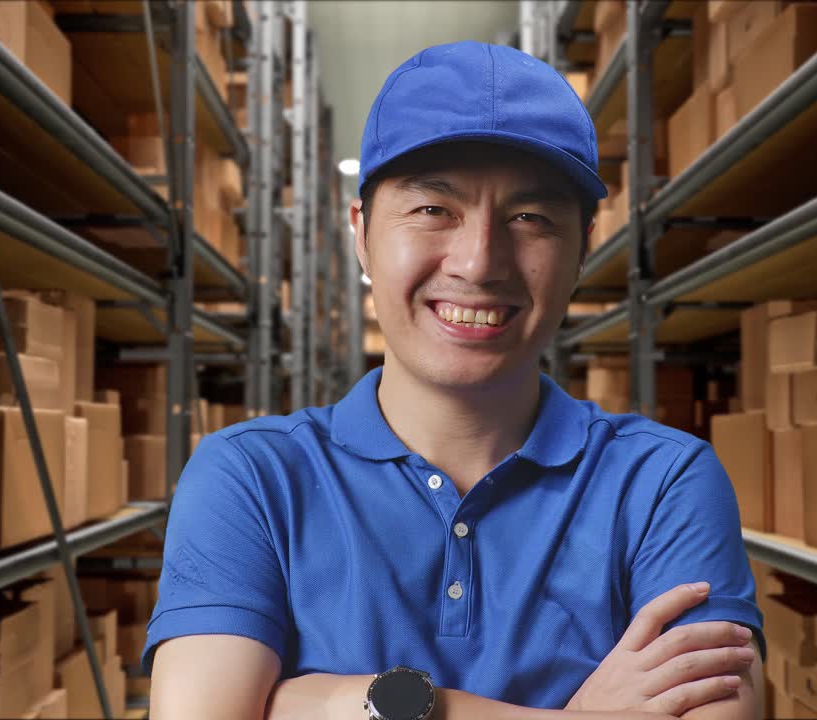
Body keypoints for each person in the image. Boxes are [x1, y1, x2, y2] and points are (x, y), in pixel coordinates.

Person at [145, 40, 764, 720]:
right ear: (361, 234)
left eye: (530, 218)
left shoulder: (663, 482)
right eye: (434, 209)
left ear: (582, 248)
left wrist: (308, 704)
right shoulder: (253, 477)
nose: (478, 261)